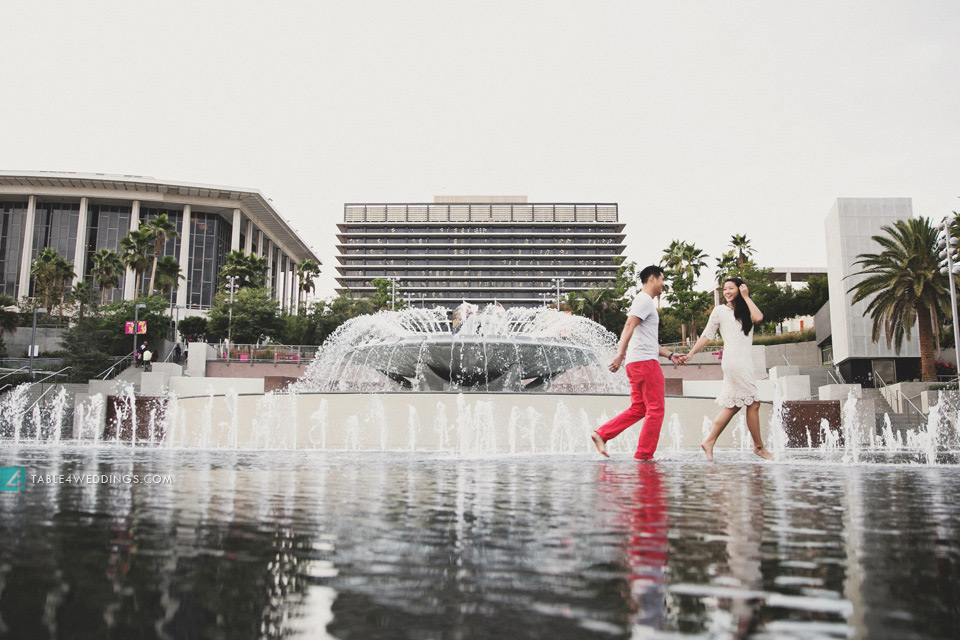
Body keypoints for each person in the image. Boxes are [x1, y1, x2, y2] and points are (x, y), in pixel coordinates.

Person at [591, 265, 683, 461]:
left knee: (639, 408)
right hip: (645, 363)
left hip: (637, 362)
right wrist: (619, 354)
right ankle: (644, 454)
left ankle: (602, 433)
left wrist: (669, 355)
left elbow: (648, 339)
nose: (663, 284)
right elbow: (628, 325)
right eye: (662, 279)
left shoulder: (643, 302)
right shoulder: (644, 301)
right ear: (652, 278)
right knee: (656, 409)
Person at [682, 277, 773, 461]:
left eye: (731, 288)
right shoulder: (719, 311)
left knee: (732, 406)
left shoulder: (747, 308)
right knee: (754, 403)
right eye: (725, 289)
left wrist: (746, 297)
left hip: (744, 362)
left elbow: (758, 317)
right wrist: (691, 354)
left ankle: (709, 442)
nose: (727, 292)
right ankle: (759, 447)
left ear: (740, 289)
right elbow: (707, 335)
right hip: (734, 362)